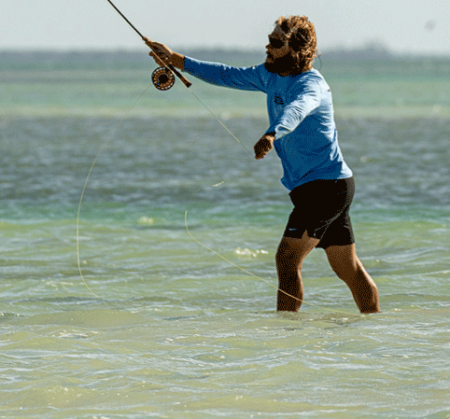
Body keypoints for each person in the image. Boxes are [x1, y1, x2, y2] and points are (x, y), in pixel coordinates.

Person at [145, 16, 379, 313]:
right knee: (347, 267)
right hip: (325, 186)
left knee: (287, 259)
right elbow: (227, 75)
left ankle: (286, 334)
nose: (267, 46)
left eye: (276, 42)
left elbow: (297, 110)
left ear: (296, 50)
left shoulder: (311, 85)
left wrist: (272, 133)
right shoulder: (270, 75)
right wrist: (177, 59)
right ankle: (375, 326)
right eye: (269, 39)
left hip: (326, 188)